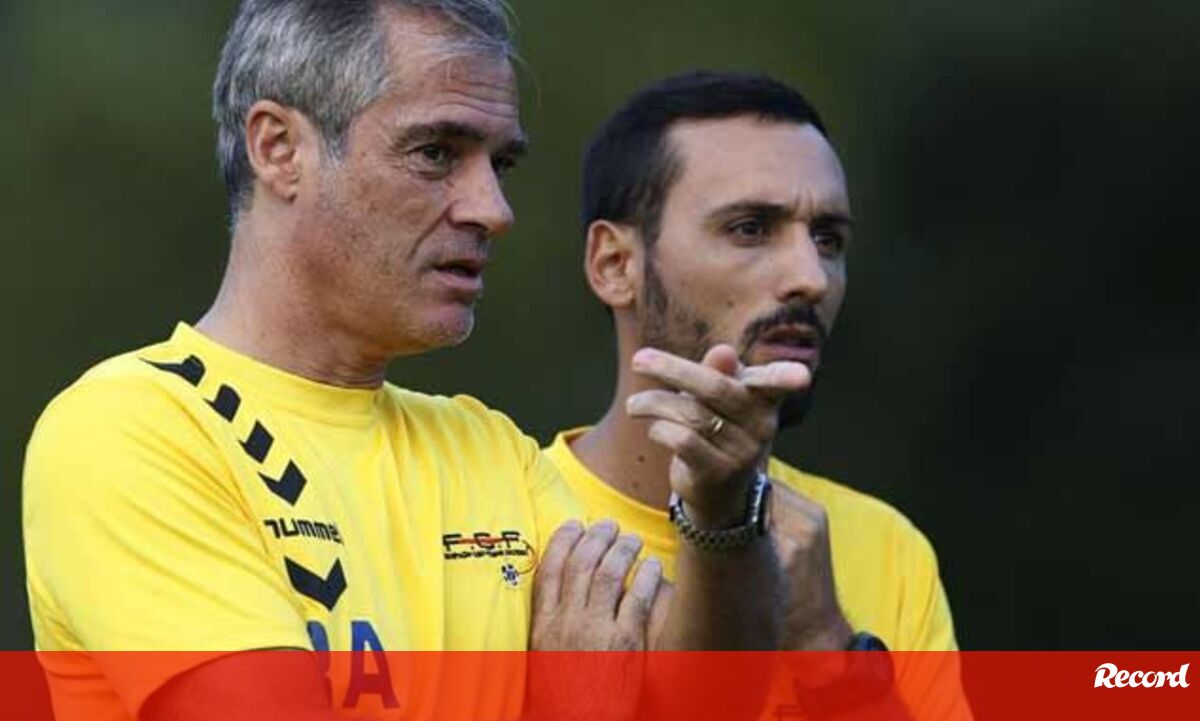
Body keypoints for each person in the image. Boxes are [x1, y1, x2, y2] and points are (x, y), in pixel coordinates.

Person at [22, 6, 797, 721]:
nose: (493, 209)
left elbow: (699, 703)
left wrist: (725, 516)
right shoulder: (133, 431)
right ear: (279, 149)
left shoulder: (487, 449)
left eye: (500, 164)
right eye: (436, 153)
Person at [543, 71, 972, 719]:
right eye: (750, 228)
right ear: (615, 264)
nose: (810, 277)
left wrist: (830, 650)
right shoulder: (503, 527)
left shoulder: (881, 544)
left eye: (828, 239)